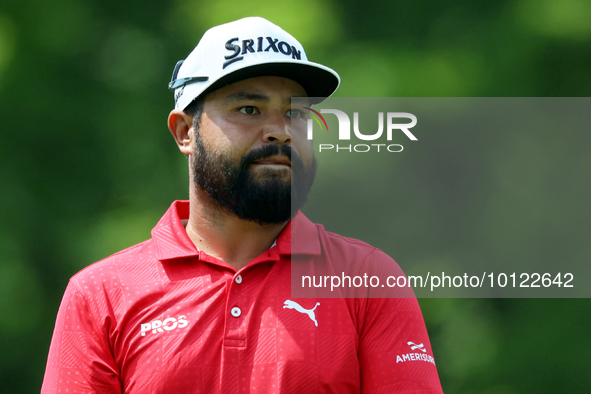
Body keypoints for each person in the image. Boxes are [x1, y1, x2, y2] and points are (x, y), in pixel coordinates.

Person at [42, 17, 443, 393]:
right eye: (248, 109)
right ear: (185, 131)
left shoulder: (368, 280)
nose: (280, 132)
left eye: (295, 114)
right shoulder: (100, 294)